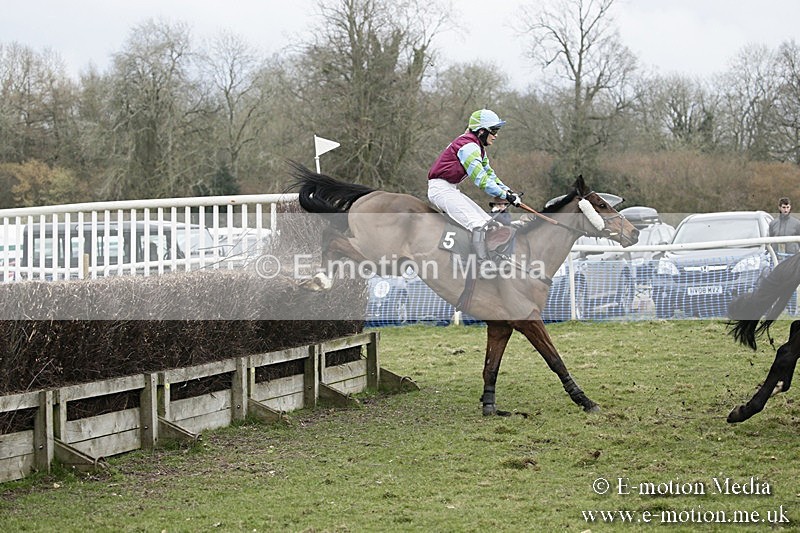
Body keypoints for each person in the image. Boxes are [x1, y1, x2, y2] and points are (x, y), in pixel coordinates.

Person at [427, 109, 522, 260]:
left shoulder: (477, 147)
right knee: (479, 225)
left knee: (488, 223)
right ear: (481, 131)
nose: (496, 135)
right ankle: (483, 262)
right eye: (494, 130)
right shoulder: (468, 147)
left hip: (450, 189)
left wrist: (508, 191)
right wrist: (505, 195)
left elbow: (490, 174)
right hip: (441, 190)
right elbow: (481, 179)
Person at [769, 196, 800, 314]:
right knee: (777, 284)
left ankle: (792, 310)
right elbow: (769, 240)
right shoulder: (773, 223)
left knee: (791, 284)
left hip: (792, 259)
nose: (785, 210)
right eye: (783, 207)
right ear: (779, 208)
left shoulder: (796, 223)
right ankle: (776, 309)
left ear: (790, 207)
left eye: (787, 207)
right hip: (777, 258)